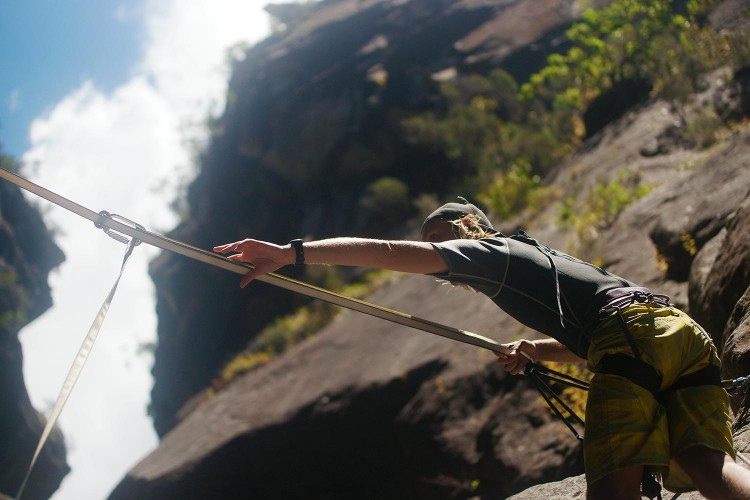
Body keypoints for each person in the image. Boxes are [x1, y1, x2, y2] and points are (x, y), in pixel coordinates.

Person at [214, 199, 750, 499]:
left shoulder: (492, 251)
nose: (440, 253)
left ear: (471, 227)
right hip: (675, 332)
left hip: (630, 336)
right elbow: (616, 338)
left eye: (442, 239)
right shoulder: (536, 264)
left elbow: (385, 252)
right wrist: (536, 351)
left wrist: (291, 253)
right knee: (703, 465)